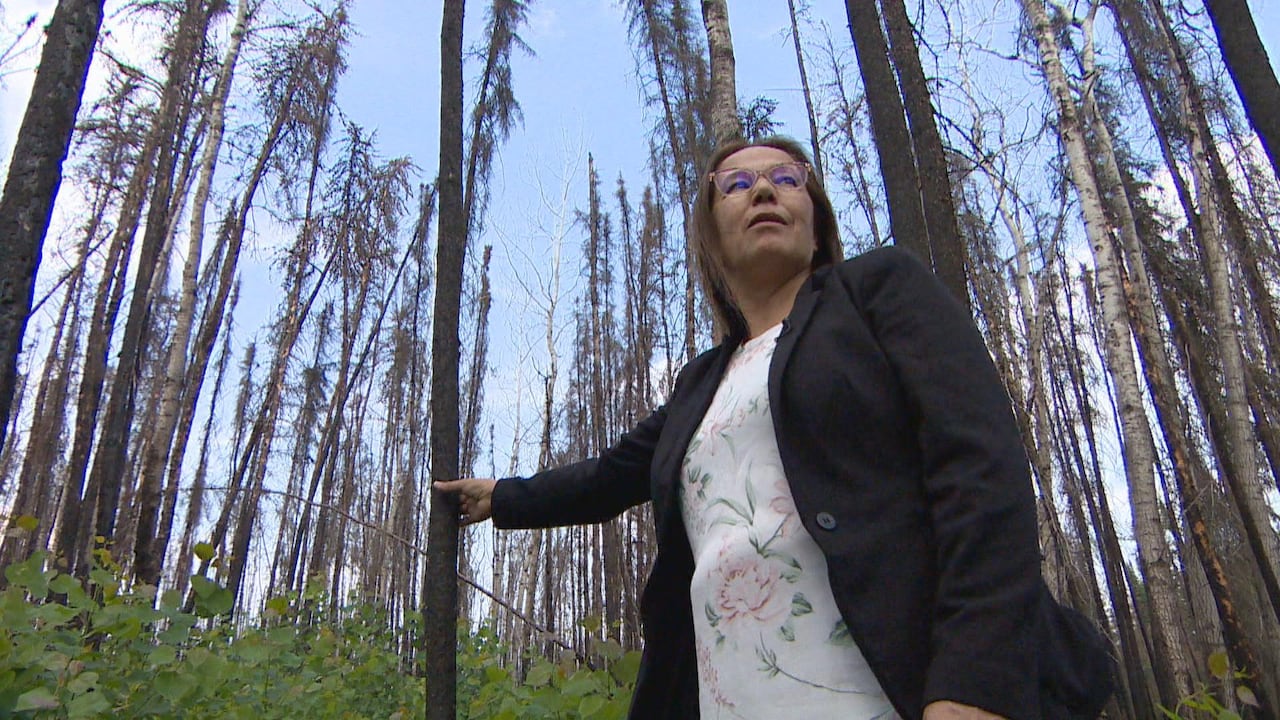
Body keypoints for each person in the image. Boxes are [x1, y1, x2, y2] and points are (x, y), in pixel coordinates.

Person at [435, 136, 1114, 720]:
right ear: (710, 232)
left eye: (786, 179)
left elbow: (981, 467)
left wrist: (975, 680)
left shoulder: (877, 294)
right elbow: (610, 477)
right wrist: (503, 497)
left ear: (814, 219)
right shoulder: (701, 384)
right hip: (737, 695)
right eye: (738, 183)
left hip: (902, 687)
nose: (764, 188)